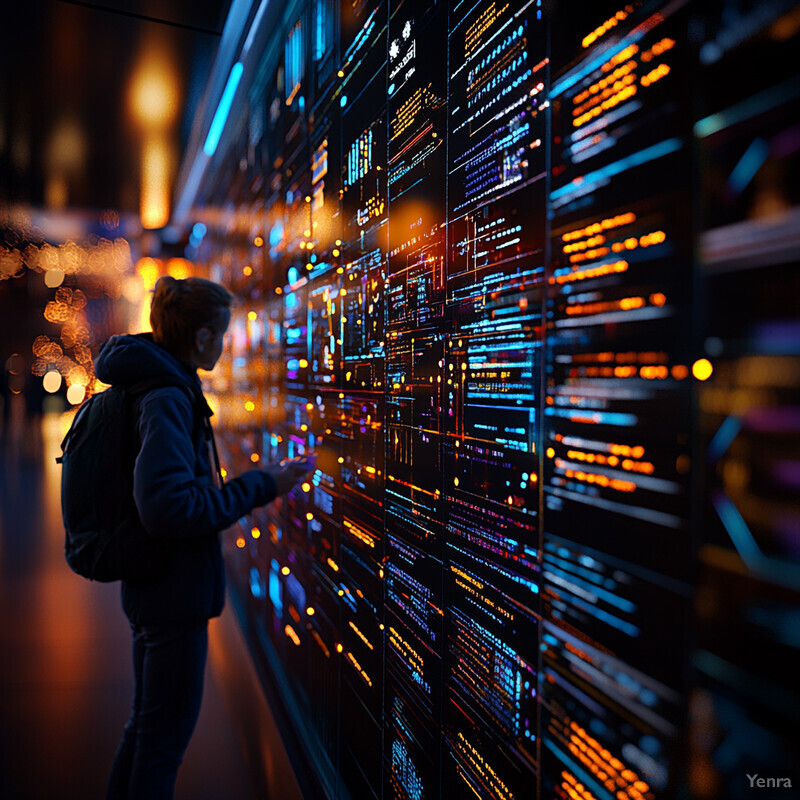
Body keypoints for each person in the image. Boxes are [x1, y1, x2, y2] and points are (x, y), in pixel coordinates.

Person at [98, 276, 309, 800]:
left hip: (158, 589)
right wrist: (265, 485)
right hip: (172, 595)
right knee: (161, 744)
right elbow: (170, 509)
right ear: (201, 338)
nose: (225, 345)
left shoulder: (158, 385)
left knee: (146, 734)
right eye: (222, 335)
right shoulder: (168, 397)